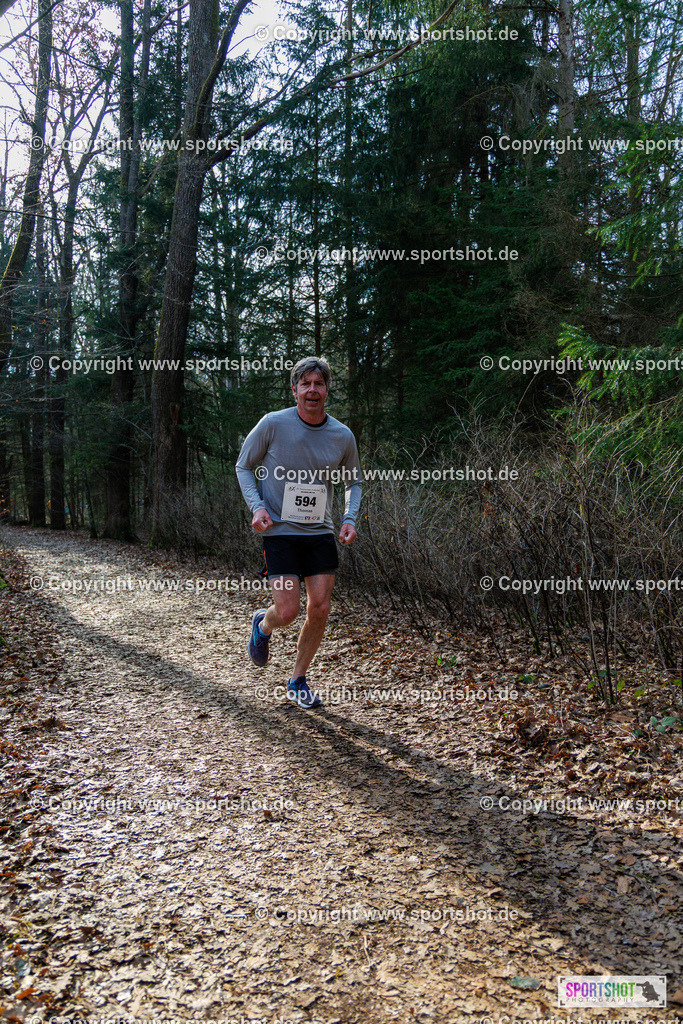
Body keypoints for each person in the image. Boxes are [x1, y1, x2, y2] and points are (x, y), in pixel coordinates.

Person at [235, 356, 362, 708]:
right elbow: (244, 466)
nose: (312, 390)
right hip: (279, 531)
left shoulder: (342, 435)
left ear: (327, 390)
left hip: (320, 531)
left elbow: (354, 481)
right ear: (294, 390)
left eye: (318, 384)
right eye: (305, 384)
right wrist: (257, 507)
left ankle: (298, 679)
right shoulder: (273, 424)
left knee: (319, 608)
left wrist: (350, 517)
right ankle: (263, 624)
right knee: (288, 612)